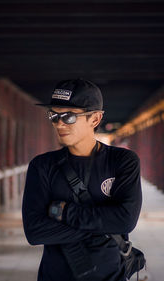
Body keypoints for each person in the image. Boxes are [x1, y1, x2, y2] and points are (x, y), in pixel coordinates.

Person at [22, 78, 143, 281]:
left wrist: (65, 212)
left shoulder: (122, 161)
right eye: (54, 115)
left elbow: (125, 221)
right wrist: (102, 226)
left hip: (110, 275)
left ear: (95, 119)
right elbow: (35, 232)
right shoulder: (42, 166)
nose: (59, 123)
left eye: (68, 117)